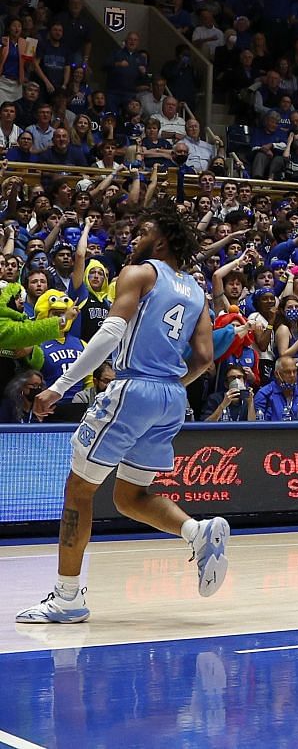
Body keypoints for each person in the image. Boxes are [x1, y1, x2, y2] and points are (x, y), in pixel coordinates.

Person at [16, 203, 231, 624]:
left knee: (79, 490)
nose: (135, 238)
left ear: (161, 240)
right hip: (172, 398)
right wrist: (167, 389)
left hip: (134, 388)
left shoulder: (140, 273)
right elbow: (205, 356)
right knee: (129, 496)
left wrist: (60, 387)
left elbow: (110, 333)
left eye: (144, 230)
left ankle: (67, 598)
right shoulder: (195, 291)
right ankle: (195, 530)